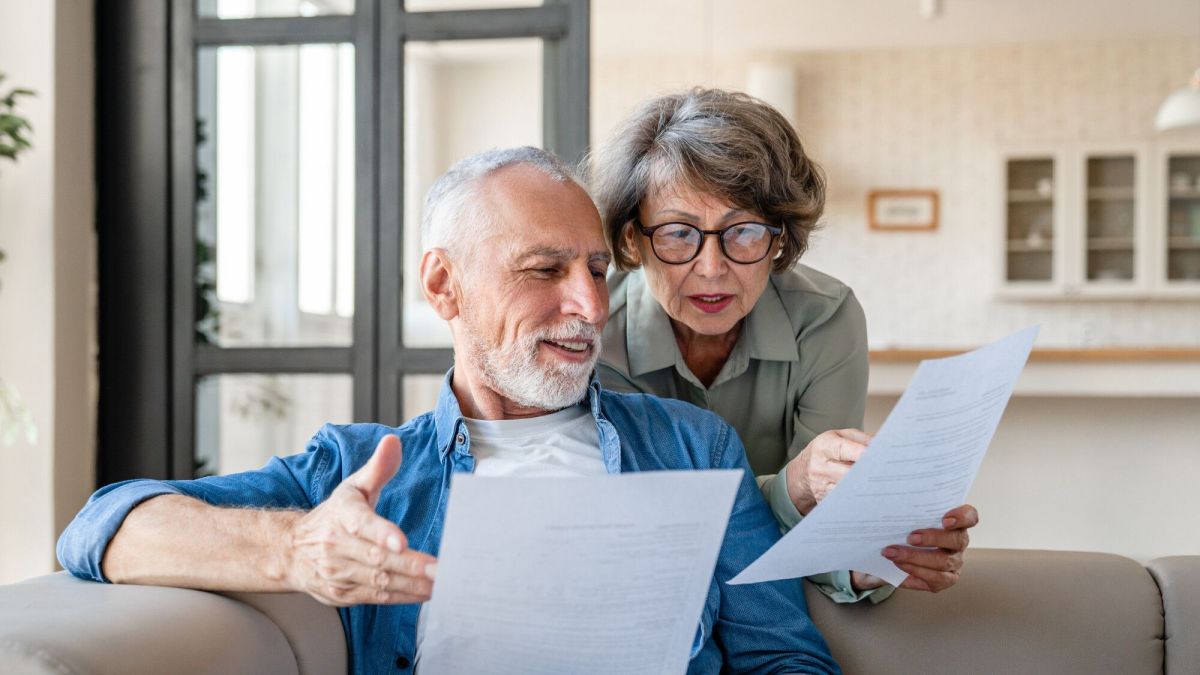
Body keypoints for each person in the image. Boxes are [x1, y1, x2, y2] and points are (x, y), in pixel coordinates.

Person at [58, 147, 840, 674]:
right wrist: (297, 547)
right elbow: (100, 526)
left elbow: (786, 656)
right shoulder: (359, 473)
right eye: (545, 269)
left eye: (598, 269)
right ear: (443, 286)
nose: (589, 304)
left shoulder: (695, 446)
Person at [590, 88, 978, 603]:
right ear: (634, 240)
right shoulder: (594, 333)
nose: (711, 268)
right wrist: (791, 489)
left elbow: (829, 527)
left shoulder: (826, 318)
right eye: (679, 233)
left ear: (780, 241)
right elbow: (648, 530)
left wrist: (868, 561)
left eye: (745, 232)